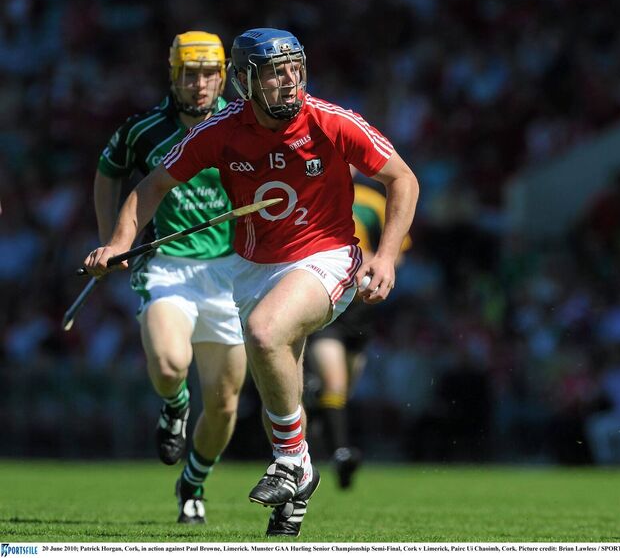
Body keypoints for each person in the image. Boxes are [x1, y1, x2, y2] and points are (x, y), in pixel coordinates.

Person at [83, 27, 419, 537]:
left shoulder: (331, 121)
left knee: (265, 332)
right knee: (276, 389)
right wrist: (118, 241)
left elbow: (403, 180)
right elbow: (151, 186)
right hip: (250, 268)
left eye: (295, 68)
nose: (290, 81)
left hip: (327, 258)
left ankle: (294, 465)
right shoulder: (220, 131)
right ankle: (293, 501)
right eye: (275, 72)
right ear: (245, 81)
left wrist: (388, 257)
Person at [92, 31, 247, 525]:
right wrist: (112, 242)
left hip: (233, 276)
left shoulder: (245, 125)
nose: (199, 84)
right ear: (173, 73)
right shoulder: (144, 129)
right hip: (168, 265)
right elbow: (108, 171)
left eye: (208, 74)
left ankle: (193, 484)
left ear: (222, 74)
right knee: (168, 363)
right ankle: (173, 406)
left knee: (223, 407)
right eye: (189, 74)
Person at [305, 176, 410, 489]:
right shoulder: (313, 194)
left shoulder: (371, 201)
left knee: (341, 391)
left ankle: (321, 422)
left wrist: (379, 265)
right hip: (327, 302)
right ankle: (340, 453)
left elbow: (397, 250)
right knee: (334, 381)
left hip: (360, 311)